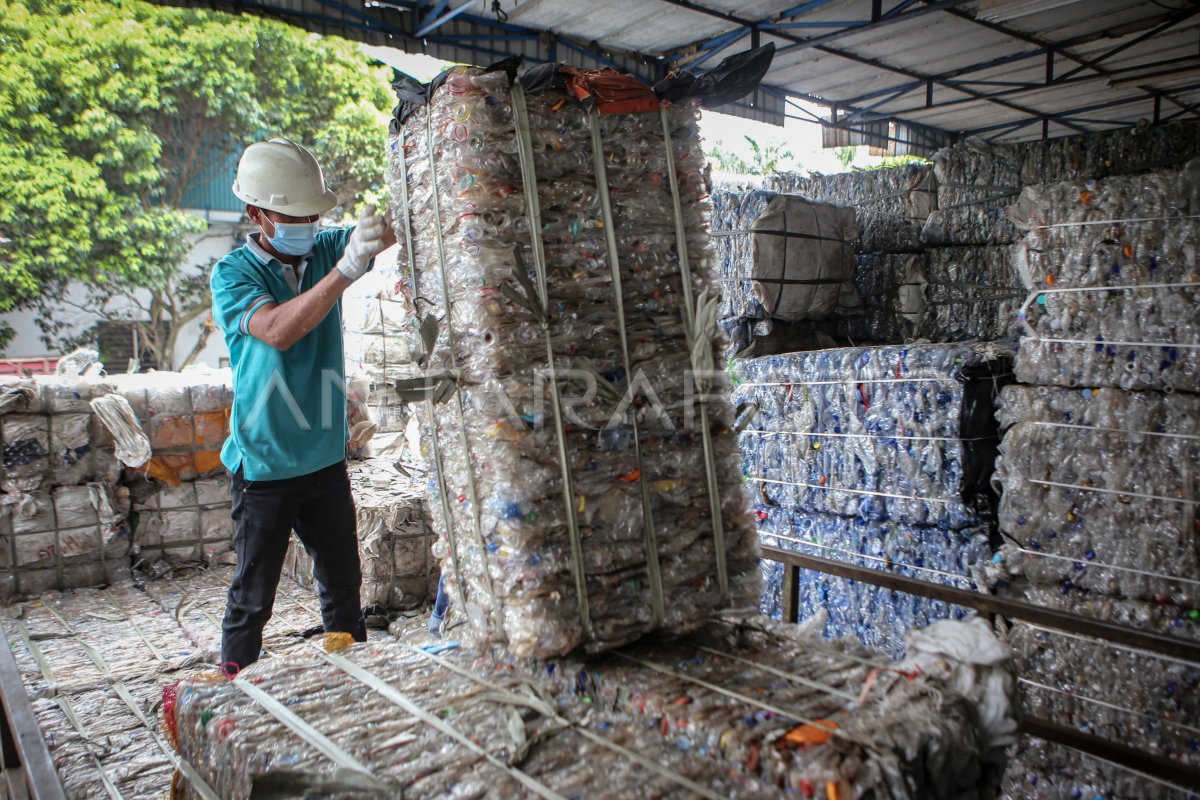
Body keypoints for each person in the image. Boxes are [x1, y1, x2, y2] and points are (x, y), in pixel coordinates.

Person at [210, 137, 396, 671]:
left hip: (324, 458)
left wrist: (375, 229)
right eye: (291, 215)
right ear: (256, 214)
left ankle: (351, 676)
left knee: (343, 586)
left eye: (313, 215)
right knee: (253, 599)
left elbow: (388, 229)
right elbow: (278, 330)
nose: (306, 225)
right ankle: (234, 692)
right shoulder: (233, 274)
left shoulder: (323, 248)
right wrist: (345, 271)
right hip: (266, 465)